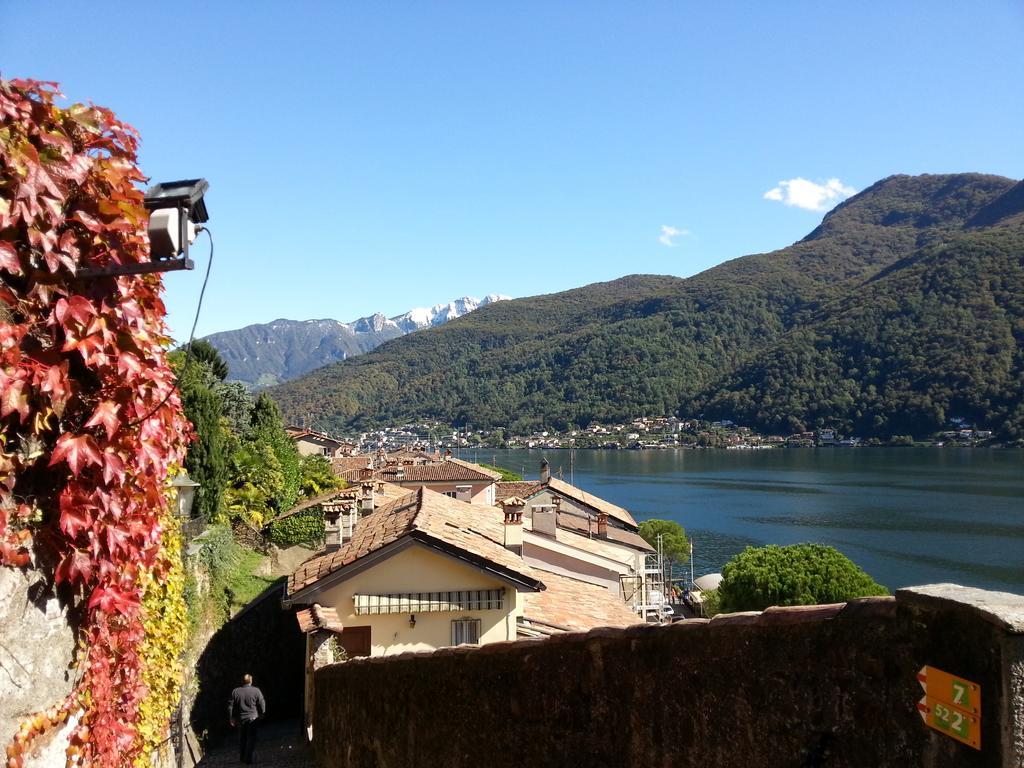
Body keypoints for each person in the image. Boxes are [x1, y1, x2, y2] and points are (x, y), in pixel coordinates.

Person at [229, 674, 266, 764]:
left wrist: (231, 717)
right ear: (251, 681)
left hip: (241, 719)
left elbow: (230, 706)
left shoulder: (235, 691)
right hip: (253, 718)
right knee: (251, 739)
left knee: (242, 739)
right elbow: (262, 702)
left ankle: (242, 758)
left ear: (242, 681)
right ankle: (247, 758)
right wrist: (262, 713)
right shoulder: (256, 691)